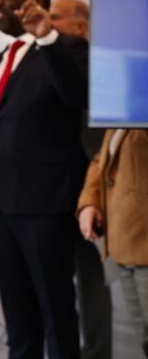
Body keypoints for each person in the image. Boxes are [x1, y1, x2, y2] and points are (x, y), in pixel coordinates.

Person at [0, 0, 112, 359]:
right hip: (5, 204)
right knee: (19, 319)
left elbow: (75, 96)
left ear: (80, 26)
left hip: (62, 199)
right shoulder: (9, 56)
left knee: (68, 309)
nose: (45, 22)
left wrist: (50, 38)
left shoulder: (74, 51)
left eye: (56, 17)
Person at [78, 130, 148, 358]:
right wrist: (90, 202)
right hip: (125, 244)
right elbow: (102, 160)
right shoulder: (122, 113)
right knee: (144, 337)